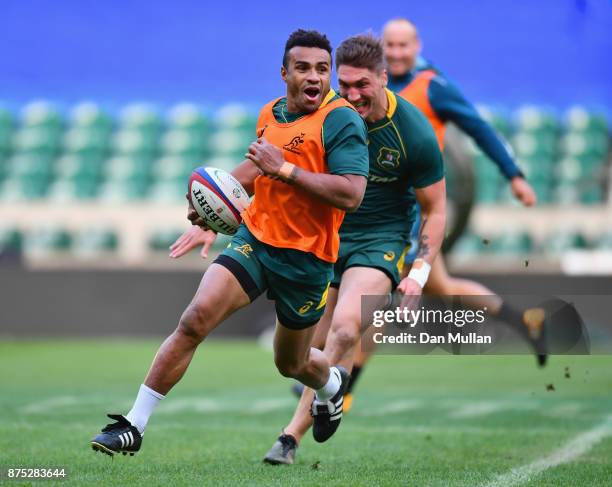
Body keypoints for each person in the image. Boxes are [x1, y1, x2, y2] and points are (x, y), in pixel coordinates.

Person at [89, 29, 370, 457]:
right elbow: (256, 171)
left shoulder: (341, 119)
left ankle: (332, 385)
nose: (314, 77)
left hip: (308, 260)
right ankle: (133, 425)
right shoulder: (270, 114)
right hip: (254, 240)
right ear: (284, 73)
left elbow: (352, 193)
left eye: (322, 69)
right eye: (303, 68)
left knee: (290, 364)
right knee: (195, 318)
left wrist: (287, 171)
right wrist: (211, 208)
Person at [172, 33, 447, 464]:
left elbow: (435, 210)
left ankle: (290, 437)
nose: (352, 94)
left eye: (363, 86)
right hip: (322, 237)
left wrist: (420, 271)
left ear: (384, 80)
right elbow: (263, 170)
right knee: (304, 354)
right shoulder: (323, 113)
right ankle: (331, 394)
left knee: (344, 327)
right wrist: (215, 213)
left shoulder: (413, 132)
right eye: (346, 83)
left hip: (379, 241)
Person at [342, 18, 548, 405]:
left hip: (413, 209)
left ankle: (344, 385)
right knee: (441, 288)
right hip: (372, 209)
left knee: (384, 294)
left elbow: (479, 128)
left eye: (405, 45)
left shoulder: (433, 86)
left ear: (417, 47)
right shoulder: (364, 90)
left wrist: (514, 175)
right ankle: (524, 320)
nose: (399, 52)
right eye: (392, 45)